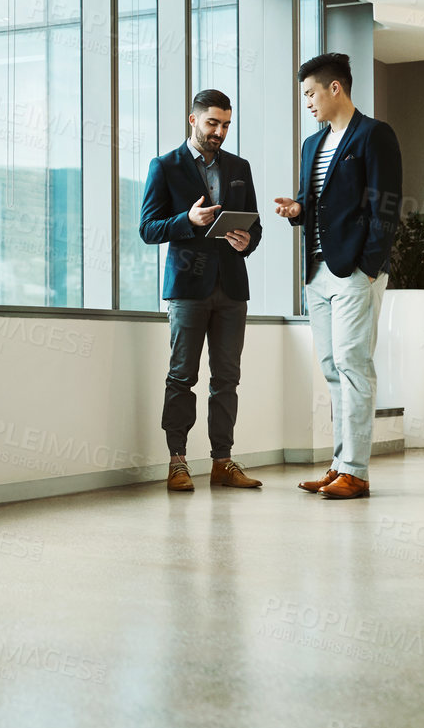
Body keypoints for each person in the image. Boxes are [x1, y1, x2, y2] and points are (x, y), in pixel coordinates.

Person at [273, 53, 403, 500]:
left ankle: (357, 471)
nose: (307, 102)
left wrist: (370, 267)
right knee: (332, 367)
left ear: (335, 89)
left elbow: (385, 206)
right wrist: (297, 210)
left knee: (353, 365)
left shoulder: (374, 135)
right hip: (317, 273)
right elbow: (321, 204)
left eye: (310, 93)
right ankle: (339, 464)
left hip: (354, 272)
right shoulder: (313, 145)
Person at [140, 89, 264, 492]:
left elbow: (255, 227)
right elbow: (148, 229)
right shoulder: (164, 166)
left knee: (227, 379)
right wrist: (187, 220)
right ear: (192, 120)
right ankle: (177, 461)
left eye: (226, 124)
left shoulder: (239, 166)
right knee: (182, 377)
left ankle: (222, 462)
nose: (220, 131)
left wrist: (249, 241)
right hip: (188, 289)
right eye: (212, 122)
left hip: (231, 288)